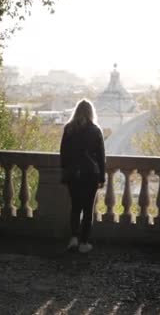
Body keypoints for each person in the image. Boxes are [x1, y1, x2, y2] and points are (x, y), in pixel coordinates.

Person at [60, 99, 106, 253]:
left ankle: (73, 238)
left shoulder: (68, 129)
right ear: (91, 112)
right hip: (90, 174)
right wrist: (102, 178)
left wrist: (65, 172)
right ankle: (84, 243)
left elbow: (64, 154)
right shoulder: (96, 130)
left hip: (73, 174)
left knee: (75, 208)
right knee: (87, 210)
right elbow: (100, 157)